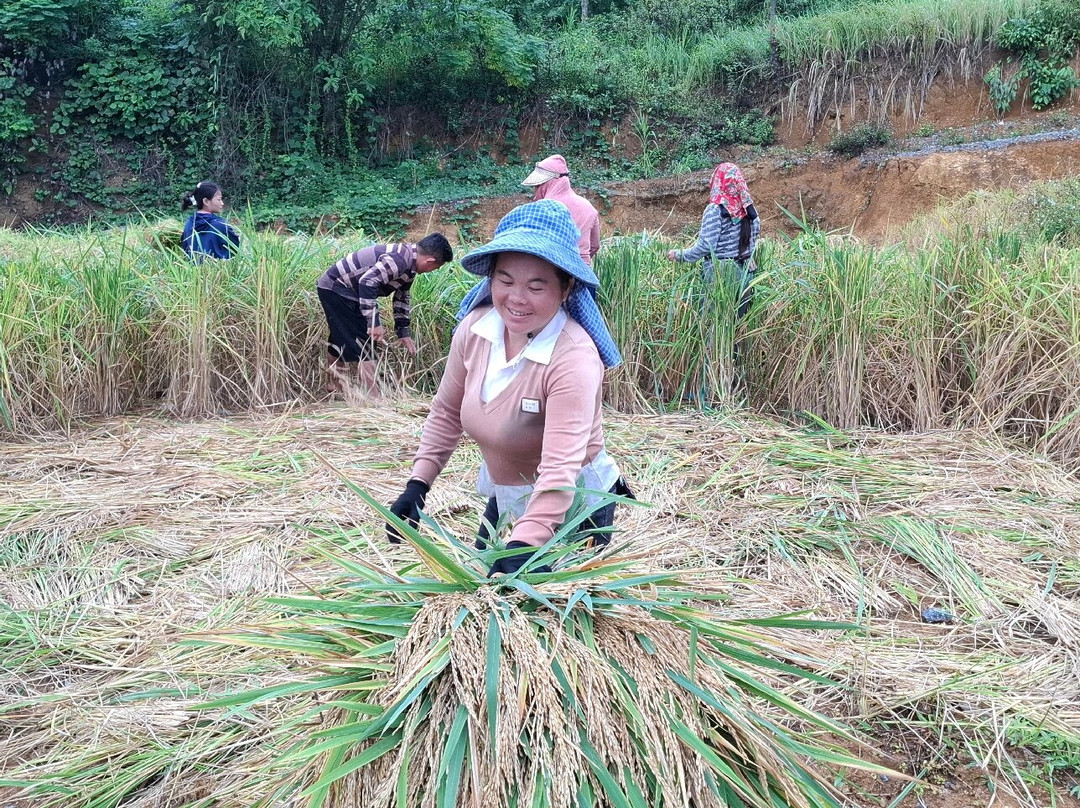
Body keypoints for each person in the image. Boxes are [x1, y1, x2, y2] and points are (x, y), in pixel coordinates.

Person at [386, 199, 627, 576]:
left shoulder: (574, 357)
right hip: (508, 486)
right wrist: (419, 483)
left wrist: (526, 544)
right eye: (505, 280)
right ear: (490, 279)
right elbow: (447, 412)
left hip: (572, 501)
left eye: (536, 285)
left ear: (565, 288)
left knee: (550, 608)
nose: (516, 298)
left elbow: (560, 466)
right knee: (483, 583)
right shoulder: (475, 330)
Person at [316, 234, 453, 394]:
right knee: (364, 343)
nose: (431, 271)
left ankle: (334, 387)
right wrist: (374, 324)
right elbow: (367, 282)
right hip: (337, 287)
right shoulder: (399, 260)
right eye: (435, 268)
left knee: (341, 336)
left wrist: (403, 332)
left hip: (343, 289)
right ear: (429, 261)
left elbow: (402, 297)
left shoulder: (410, 265)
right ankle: (373, 398)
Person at [667, 162, 760, 319]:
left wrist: (678, 255)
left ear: (718, 182)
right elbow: (751, 246)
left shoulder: (715, 210)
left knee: (714, 329)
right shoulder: (751, 212)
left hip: (718, 275)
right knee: (735, 328)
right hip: (744, 277)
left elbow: (705, 247)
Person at [522, 155, 601, 267]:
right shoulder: (588, 207)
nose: (535, 193)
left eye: (537, 186)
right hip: (582, 270)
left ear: (546, 184)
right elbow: (595, 245)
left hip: (551, 271)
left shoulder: (542, 208)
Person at [181, 181, 241, 260]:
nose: (222, 203)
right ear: (206, 201)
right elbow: (235, 248)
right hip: (219, 271)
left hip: (194, 270)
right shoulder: (220, 225)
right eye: (219, 199)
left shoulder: (189, 224)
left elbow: (185, 247)